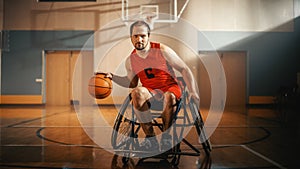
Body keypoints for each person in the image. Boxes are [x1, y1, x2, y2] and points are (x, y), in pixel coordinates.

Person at [103, 20, 199, 153]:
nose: (139, 39)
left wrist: (193, 91)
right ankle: (150, 139)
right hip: (151, 92)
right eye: (135, 36)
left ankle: (166, 138)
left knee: (169, 96)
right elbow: (131, 83)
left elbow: (184, 69)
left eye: (142, 36)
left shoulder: (162, 50)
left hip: (170, 88)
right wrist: (113, 77)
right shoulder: (130, 60)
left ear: (148, 36)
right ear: (131, 37)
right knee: (136, 93)